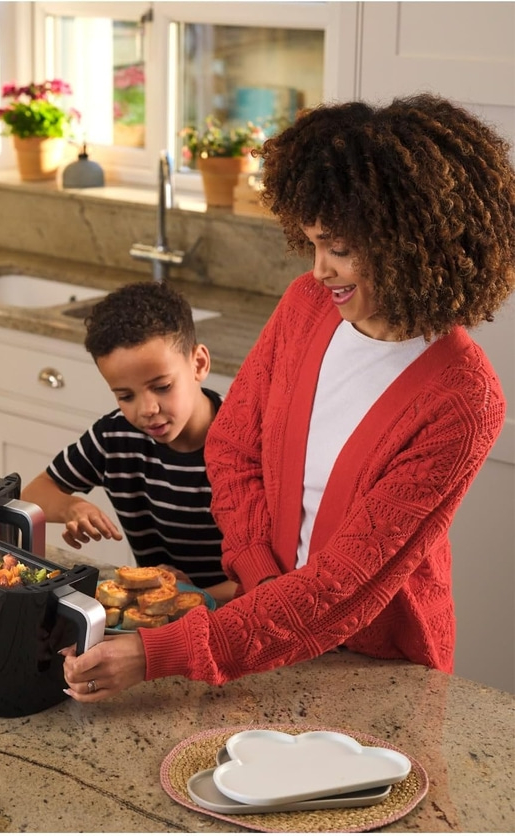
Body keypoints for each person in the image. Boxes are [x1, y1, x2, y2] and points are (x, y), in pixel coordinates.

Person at [61, 93, 515, 702]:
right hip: (256, 626)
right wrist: (259, 575)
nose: (320, 269)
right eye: (313, 244)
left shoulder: (464, 398)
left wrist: (160, 652)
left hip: (372, 666)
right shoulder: (306, 306)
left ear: (412, 243)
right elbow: (233, 447)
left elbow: (345, 586)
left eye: (340, 249)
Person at [21, 281, 234, 598]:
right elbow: (33, 495)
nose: (147, 409)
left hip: (239, 610)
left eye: (162, 387)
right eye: (125, 396)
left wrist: (188, 597)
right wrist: (71, 508)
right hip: (160, 607)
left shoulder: (245, 442)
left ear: (199, 364)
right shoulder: (115, 437)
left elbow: (274, 575)